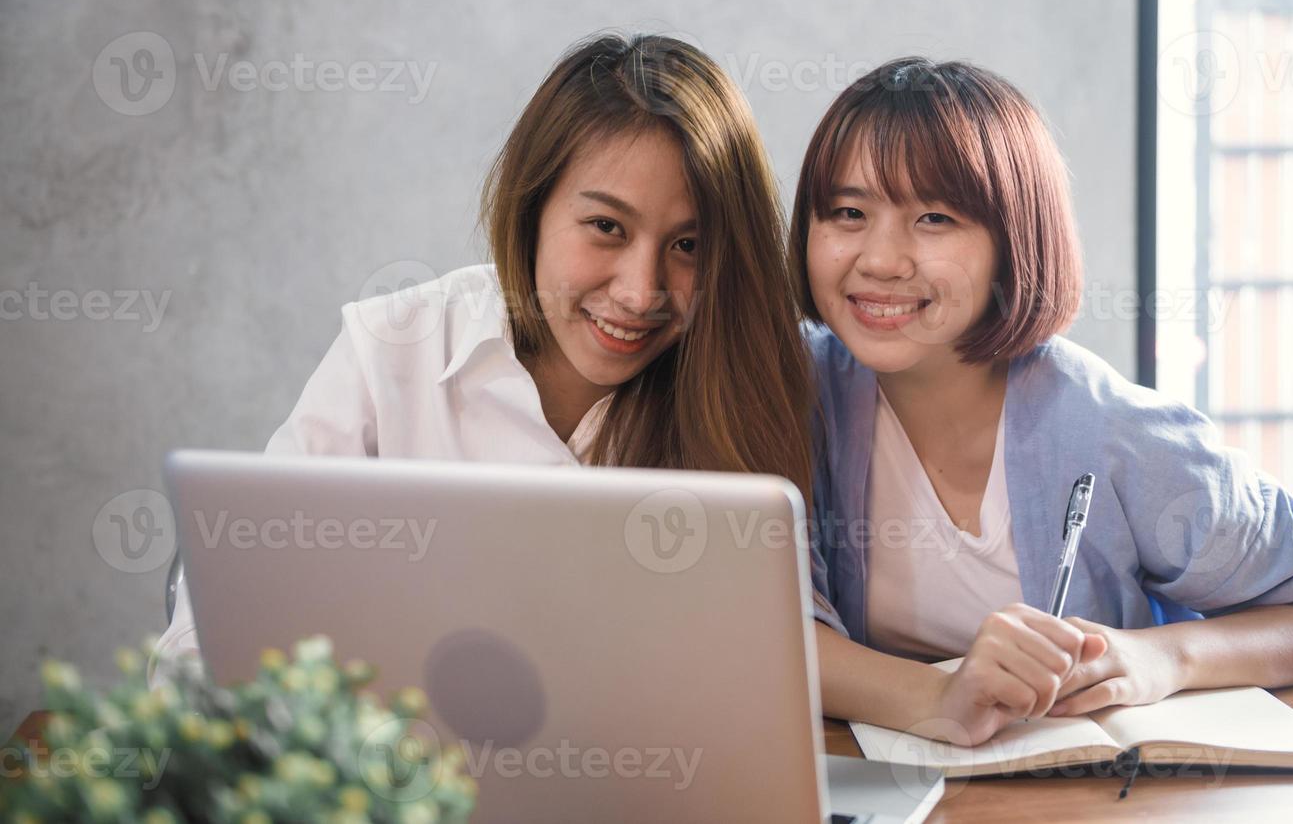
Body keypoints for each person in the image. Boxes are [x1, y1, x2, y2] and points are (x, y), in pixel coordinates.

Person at [152, 33, 813, 675]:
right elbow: (213, 629)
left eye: (688, 247)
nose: (641, 293)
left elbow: (748, 664)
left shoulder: (736, 390)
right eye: (606, 228)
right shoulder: (392, 352)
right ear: (531, 210)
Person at [791, 58, 1293, 745]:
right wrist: (936, 697)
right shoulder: (788, 395)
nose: (882, 260)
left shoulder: (1108, 430)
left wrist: (1164, 659)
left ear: (1014, 239)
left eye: (935, 217)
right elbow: (757, 630)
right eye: (849, 213)